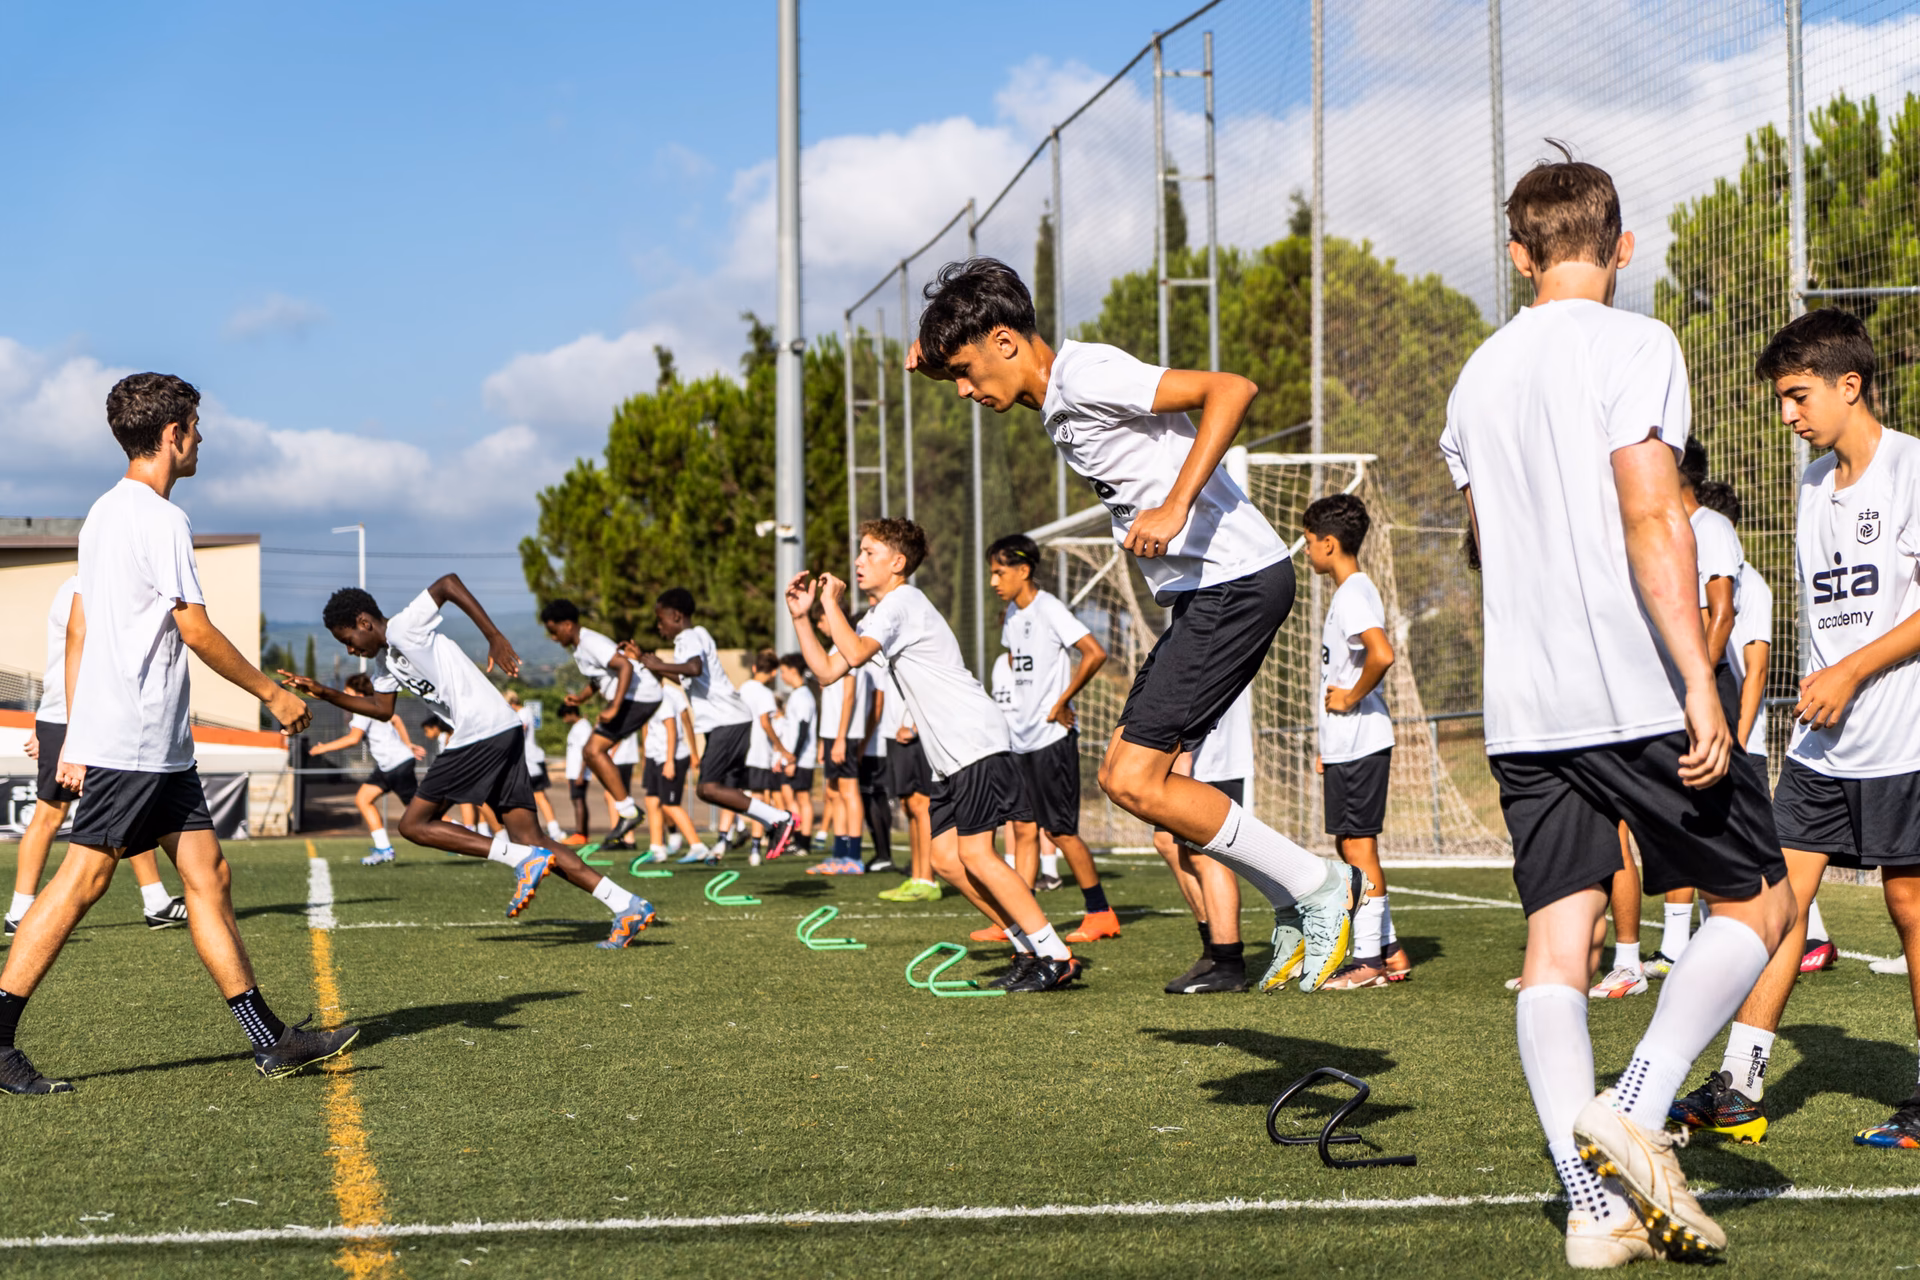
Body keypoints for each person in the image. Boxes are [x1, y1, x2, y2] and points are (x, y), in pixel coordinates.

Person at [1441, 155, 1793, 1265]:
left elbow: (1490, 546)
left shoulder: (1474, 379)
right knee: (1760, 902)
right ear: (1623, 246)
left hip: (1523, 705)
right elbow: (1655, 519)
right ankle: (1637, 1101)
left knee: (1557, 948)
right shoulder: (1640, 343)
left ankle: (1592, 1216)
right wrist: (1698, 675)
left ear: (1518, 255)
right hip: (1631, 687)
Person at [911, 258, 1362, 992]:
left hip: (1235, 582)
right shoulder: (1054, 397)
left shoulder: (1086, 375)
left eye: (965, 370)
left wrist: (1179, 502)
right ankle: (1291, 895)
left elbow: (1231, 390)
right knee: (1136, 774)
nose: (963, 390)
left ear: (1004, 341)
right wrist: (933, 361)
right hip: (1205, 596)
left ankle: (1316, 886)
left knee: (1131, 776)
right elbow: (988, 372)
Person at [0, 372, 355, 1095]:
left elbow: (96, 626)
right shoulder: (161, 520)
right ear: (172, 435)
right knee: (81, 884)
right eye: (195, 427)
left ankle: (270, 1040)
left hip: (161, 747)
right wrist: (268, 694)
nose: (202, 439)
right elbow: (192, 628)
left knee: (208, 877)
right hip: (132, 742)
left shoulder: (103, 513)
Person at [1671, 309, 1920, 1151]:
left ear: (1851, 385)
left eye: (1798, 395)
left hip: (1903, 738)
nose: (1788, 414)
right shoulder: (1812, 484)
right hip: (1821, 749)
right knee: (1775, 902)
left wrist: (1852, 673)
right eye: (1782, 398)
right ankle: (1738, 1084)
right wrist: (1825, 682)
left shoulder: (1913, 468)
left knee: (1910, 905)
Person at [788, 519, 1083, 992]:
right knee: (946, 861)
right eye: (859, 553)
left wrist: (829, 602)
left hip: (974, 740)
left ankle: (1056, 953)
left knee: (976, 854)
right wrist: (804, 617)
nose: (859, 562)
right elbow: (827, 670)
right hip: (950, 754)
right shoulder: (883, 612)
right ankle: (1027, 946)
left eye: (868, 553)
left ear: (897, 563)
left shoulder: (903, 601)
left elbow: (857, 654)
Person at [286, 578, 657, 949]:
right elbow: (382, 710)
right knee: (532, 836)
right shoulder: (384, 664)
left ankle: (522, 859)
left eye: (347, 638)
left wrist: (494, 636)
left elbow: (447, 584)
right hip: (502, 730)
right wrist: (324, 693)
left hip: (480, 731)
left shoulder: (403, 626)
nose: (350, 649)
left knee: (414, 825)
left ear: (364, 622)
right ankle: (627, 904)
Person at [8, 575, 189, 934]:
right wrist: (59, 729)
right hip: (82, 719)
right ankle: (20, 911)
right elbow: (88, 656)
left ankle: (156, 901)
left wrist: (45, 722)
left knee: (126, 812)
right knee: (51, 816)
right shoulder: (90, 588)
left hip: (64, 717)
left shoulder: (77, 586)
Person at [986, 533, 1118, 943]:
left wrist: (1063, 700)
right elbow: (1015, 661)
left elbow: (1094, 652)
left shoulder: (1050, 609)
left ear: (1024, 570)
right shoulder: (1012, 614)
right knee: (1023, 829)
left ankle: (1100, 913)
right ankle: (1019, 919)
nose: (994, 581)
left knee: (1059, 831)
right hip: (1020, 740)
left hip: (1051, 740)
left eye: (999, 571)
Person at [1303, 493, 1404, 990]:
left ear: (1328, 543)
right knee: (1349, 844)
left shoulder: (1354, 593)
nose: (1305, 551)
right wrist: (1327, 745)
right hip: (1345, 745)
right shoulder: (1345, 593)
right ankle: (1389, 949)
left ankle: (1368, 962)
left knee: (1359, 846)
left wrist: (1350, 699)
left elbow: (1381, 654)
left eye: (1307, 541)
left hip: (1363, 738)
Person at [637, 590, 797, 861]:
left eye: (660, 618)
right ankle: (774, 822)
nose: (658, 625)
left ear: (676, 615)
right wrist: (648, 661)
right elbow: (687, 677)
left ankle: (780, 819)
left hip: (728, 722)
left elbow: (694, 668)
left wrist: (658, 663)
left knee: (707, 788)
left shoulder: (687, 637)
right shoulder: (694, 636)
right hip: (727, 722)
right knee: (720, 792)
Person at [1158, 687, 1260, 994]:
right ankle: (1213, 949)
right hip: (1193, 756)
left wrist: (1185, 753)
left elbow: (1202, 685)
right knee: (1167, 843)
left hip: (1211, 760)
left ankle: (1228, 963)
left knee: (1208, 854)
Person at [540, 600, 659, 849]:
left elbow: (624, 665)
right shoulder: (579, 648)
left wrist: (615, 706)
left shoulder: (590, 642)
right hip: (634, 699)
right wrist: (582, 697)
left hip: (640, 697)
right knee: (592, 751)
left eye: (553, 630)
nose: (552, 637)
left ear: (568, 625)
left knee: (593, 750)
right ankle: (627, 810)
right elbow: (599, 678)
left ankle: (628, 811)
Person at [306, 673, 428, 866]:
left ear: (358, 694)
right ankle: (383, 848)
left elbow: (353, 739)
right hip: (389, 765)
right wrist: (408, 744)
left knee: (420, 814)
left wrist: (323, 748)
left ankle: (460, 831)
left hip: (396, 765)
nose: (345, 695)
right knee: (363, 799)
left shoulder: (362, 710)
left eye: (347, 692)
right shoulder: (373, 706)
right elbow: (395, 719)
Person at [817, 645, 870, 872]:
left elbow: (849, 697)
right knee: (834, 792)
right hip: (831, 734)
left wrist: (840, 738)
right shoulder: (831, 650)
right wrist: (823, 739)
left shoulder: (849, 650)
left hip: (844, 734)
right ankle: (839, 854)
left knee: (849, 791)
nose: (820, 624)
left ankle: (854, 856)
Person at [641, 681, 704, 864]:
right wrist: (646, 755)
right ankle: (657, 848)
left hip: (672, 757)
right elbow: (646, 726)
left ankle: (698, 846)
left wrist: (672, 760)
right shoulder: (646, 697)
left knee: (669, 804)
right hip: (655, 756)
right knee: (651, 800)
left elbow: (673, 729)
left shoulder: (666, 698)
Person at [502, 691, 567, 846]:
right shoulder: (523, 713)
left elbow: (518, 731)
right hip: (527, 761)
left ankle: (554, 830)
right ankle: (547, 830)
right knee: (529, 797)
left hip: (531, 762)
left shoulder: (523, 713)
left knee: (539, 796)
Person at [559, 702, 592, 845]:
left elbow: (586, 751)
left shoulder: (583, 727)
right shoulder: (577, 727)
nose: (564, 719)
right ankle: (581, 834)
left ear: (571, 713)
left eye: (564, 716)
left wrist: (581, 773)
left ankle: (581, 833)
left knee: (579, 800)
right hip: (573, 772)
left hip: (579, 772)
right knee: (577, 800)